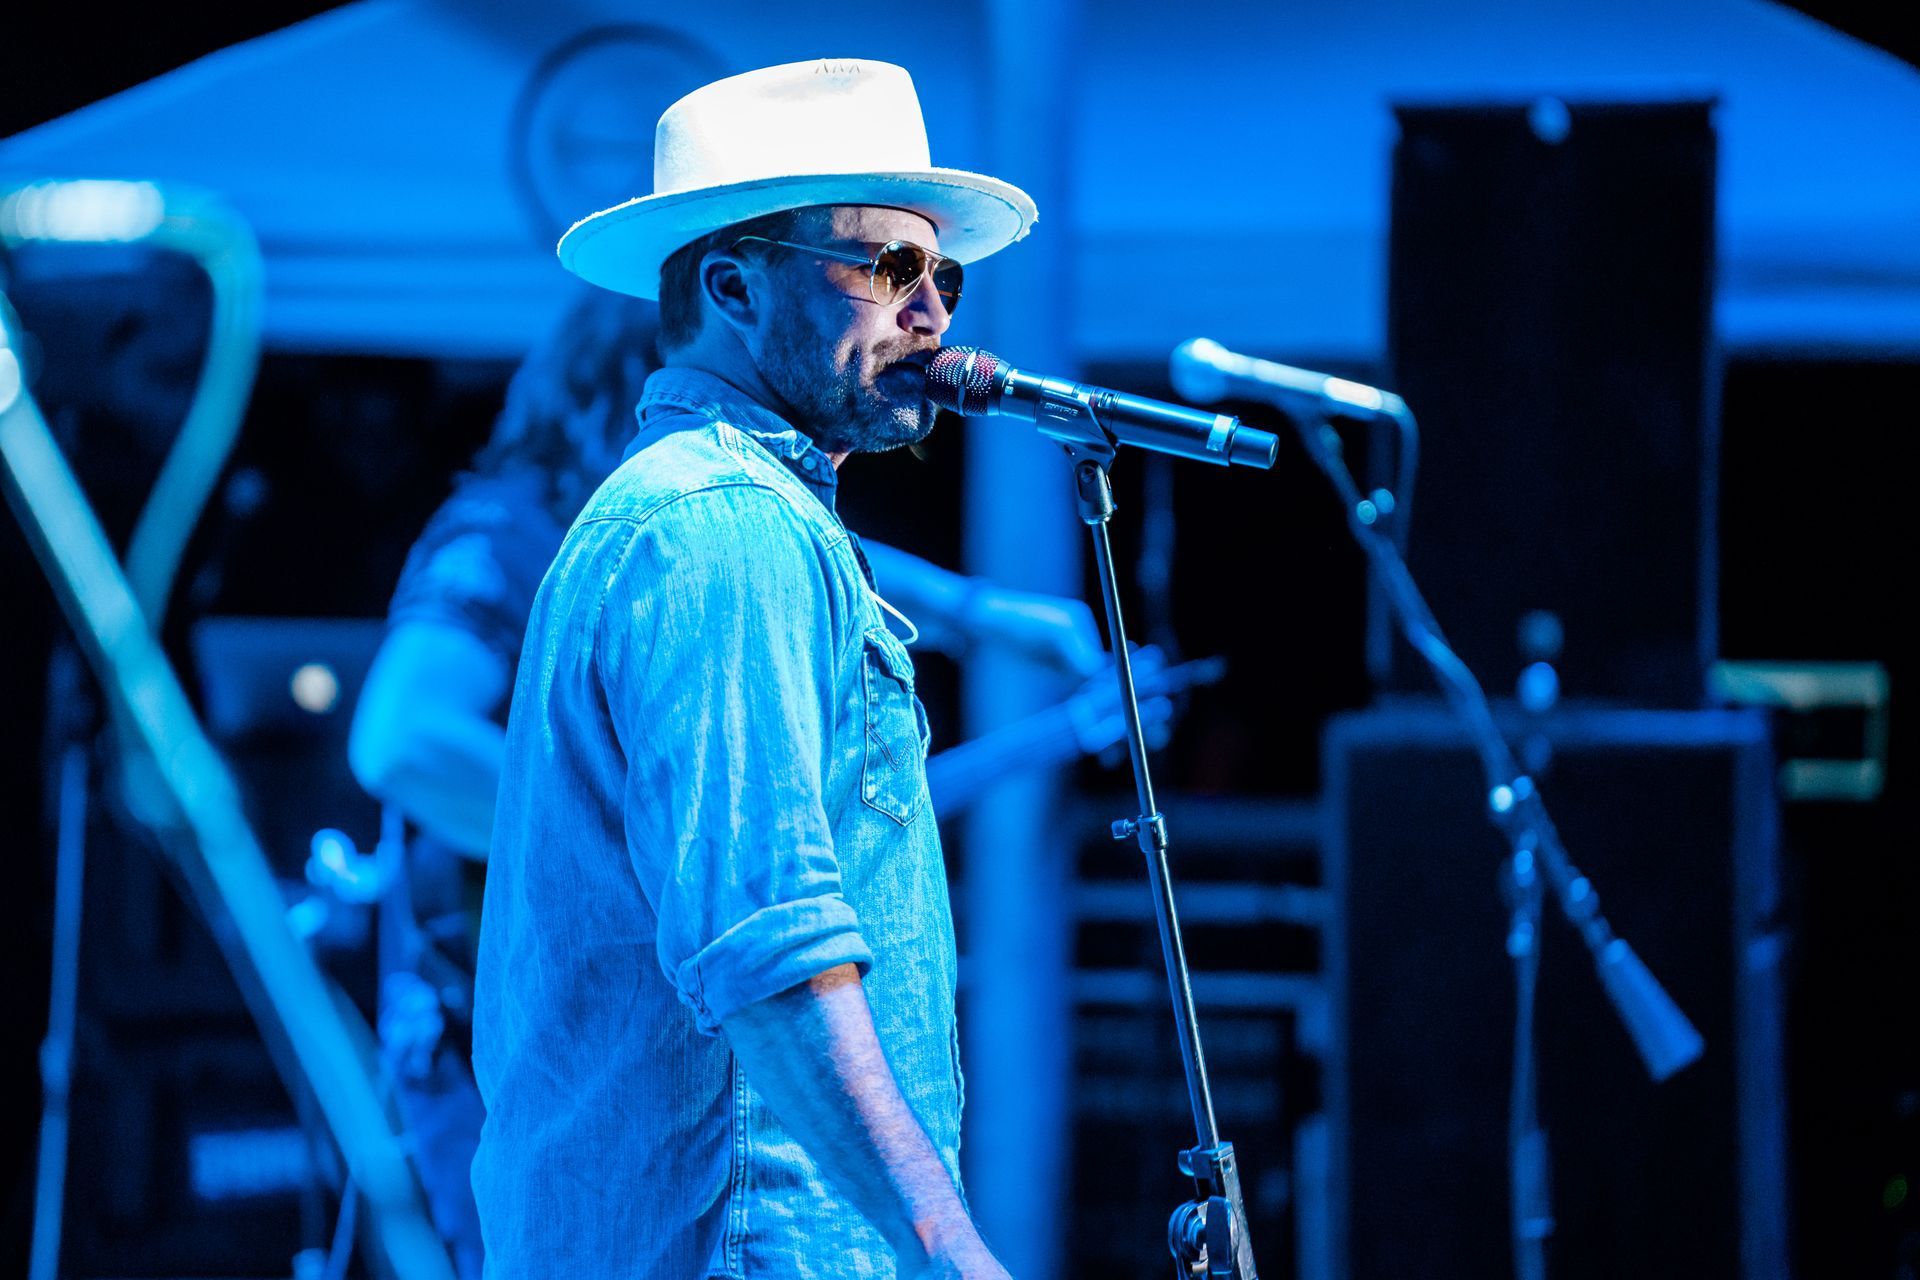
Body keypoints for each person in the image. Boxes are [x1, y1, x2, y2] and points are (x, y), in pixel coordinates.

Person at [355, 59, 1089, 1280]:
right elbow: (769, 946)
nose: (933, 313)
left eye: (943, 274)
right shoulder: (716, 529)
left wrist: (986, 614)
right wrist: (955, 1251)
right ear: (735, 287)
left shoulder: (725, 520)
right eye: (886, 266)